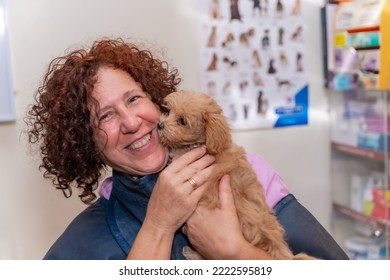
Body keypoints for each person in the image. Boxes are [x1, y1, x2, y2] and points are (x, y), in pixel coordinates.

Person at [25, 38, 349, 260]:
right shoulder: (88, 236)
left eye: (134, 98)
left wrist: (236, 252)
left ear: (155, 100)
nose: (131, 122)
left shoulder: (246, 170)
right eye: (106, 116)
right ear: (86, 141)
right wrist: (159, 224)